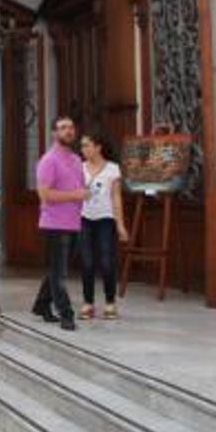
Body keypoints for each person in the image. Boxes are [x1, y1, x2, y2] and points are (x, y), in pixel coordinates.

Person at [31, 116, 88, 331]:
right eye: (63, 128)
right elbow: (44, 194)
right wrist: (75, 194)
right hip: (54, 224)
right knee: (60, 273)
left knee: (58, 269)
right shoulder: (48, 160)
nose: (68, 131)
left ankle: (41, 305)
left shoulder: (75, 159)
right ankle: (66, 314)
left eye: (71, 127)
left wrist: (83, 195)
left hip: (74, 222)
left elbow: (79, 190)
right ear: (54, 133)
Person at [79, 133, 128, 320]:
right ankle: (88, 302)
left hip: (105, 219)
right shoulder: (79, 168)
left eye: (87, 145)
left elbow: (116, 197)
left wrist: (120, 225)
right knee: (87, 262)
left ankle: (110, 302)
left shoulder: (113, 169)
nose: (83, 150)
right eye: (82, 146)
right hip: (84, 218)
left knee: (107, 261)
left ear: (98, 147)